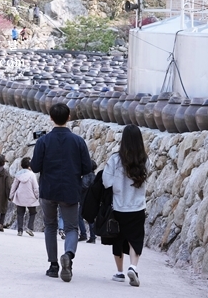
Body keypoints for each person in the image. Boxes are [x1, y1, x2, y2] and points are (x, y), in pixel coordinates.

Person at [31, 103, 92, 283]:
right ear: (69, 117)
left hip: (48, 189)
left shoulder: (43, 141)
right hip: (70, 189)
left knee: (50, 226)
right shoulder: (78, 141)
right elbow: (87, 168)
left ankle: (53, 266)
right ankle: (68, 255)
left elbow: (35, 166)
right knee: (71, 227)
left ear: (51, 118)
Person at [103, 125, 149, 287]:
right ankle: (133, 267)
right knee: (135, 239)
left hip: (118, 207)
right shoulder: (145, 160)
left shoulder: (115, 160)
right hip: (137, 207)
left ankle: (119, 272)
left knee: (118, 239)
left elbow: (106, 182)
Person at [11, 157, 40, 237]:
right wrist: (37, 196)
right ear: (30, 166)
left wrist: (11, 195)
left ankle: (20, 230)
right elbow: (35, 187)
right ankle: (29, 228)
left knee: (20, 213)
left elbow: (14, 186)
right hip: (30, 197)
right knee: (33, 213)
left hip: (20, 196)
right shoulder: (32, 175)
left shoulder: (18, 174)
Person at [80, 160, 98, 244]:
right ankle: (92, 236)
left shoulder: (87, 175)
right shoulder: (94, 176)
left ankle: (83, 234)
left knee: (79, 216)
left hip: (84, 198)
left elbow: (84, 185)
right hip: (92, 199)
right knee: (91, 218)